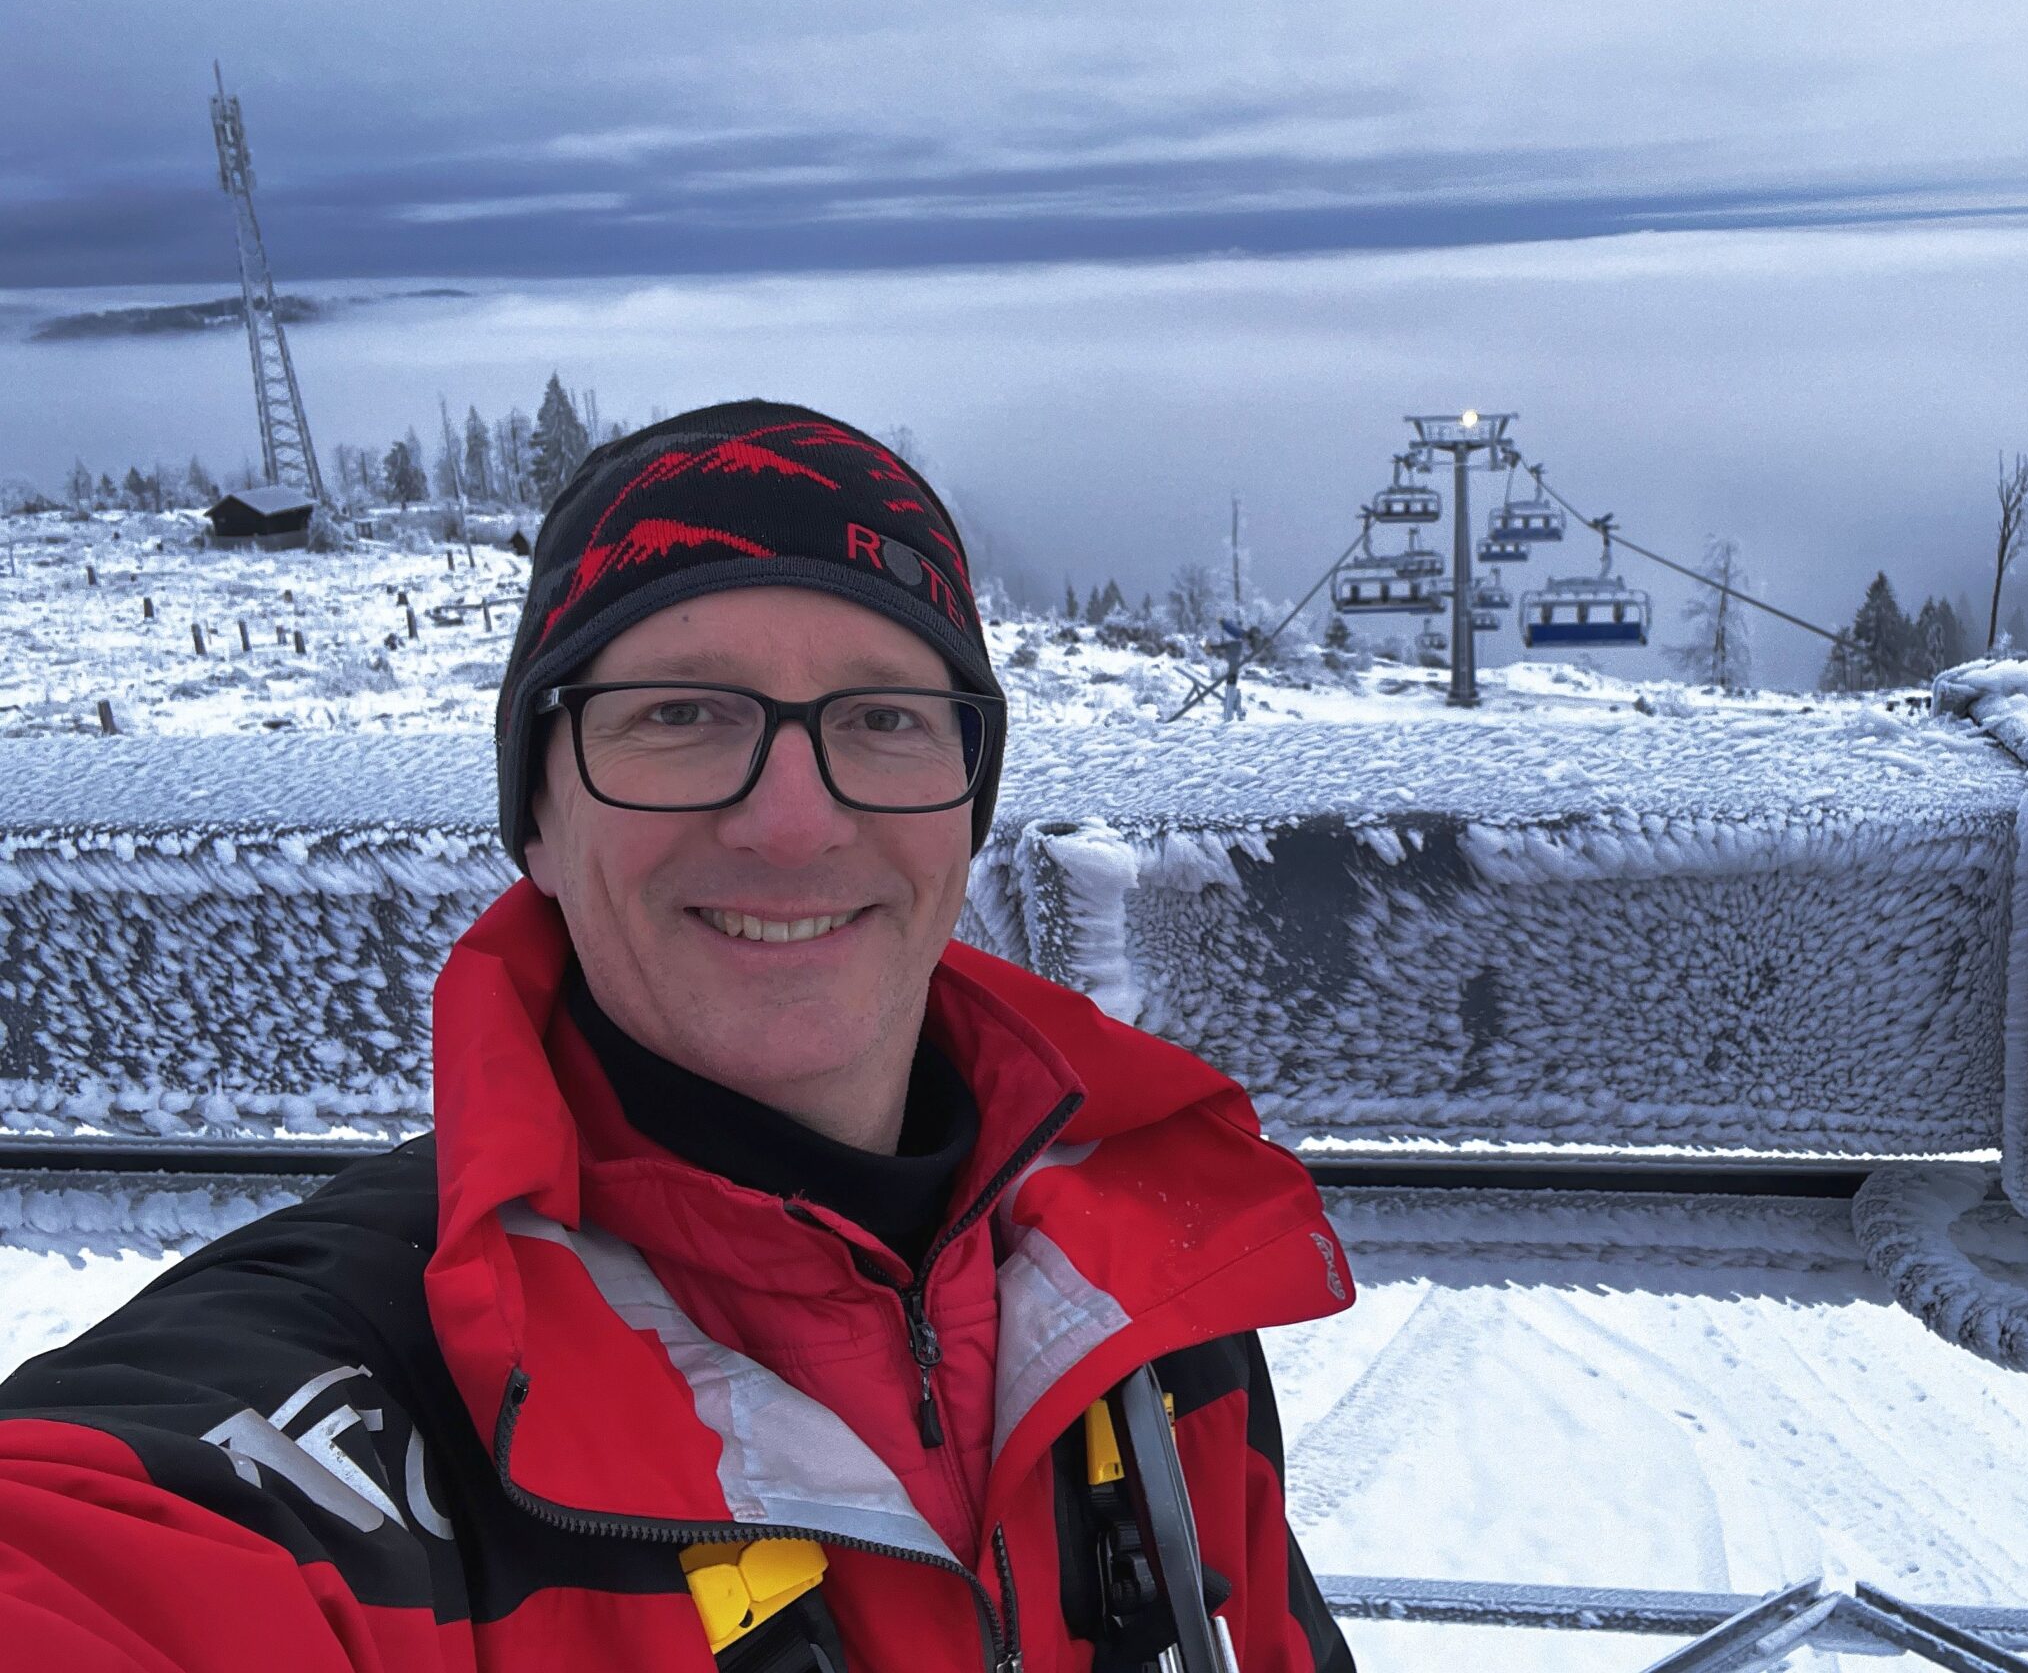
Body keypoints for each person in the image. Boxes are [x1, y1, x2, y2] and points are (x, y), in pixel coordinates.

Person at [0, 401, 1358, 1673]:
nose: (792, 824)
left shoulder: (1139, 1315)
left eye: (883, 718)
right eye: (681, 715)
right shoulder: (352, 1396)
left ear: (965, 809)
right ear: (538, 818)